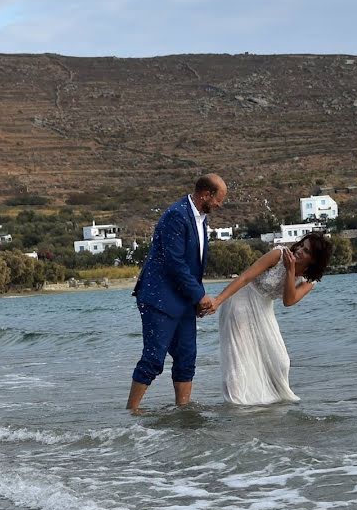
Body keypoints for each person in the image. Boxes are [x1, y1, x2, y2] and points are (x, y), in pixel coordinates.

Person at [126, 173, 228, 410]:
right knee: (153, 358)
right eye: (218, 199)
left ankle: (184, 411)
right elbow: (175, 262)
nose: (219, 205)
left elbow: (194, 267)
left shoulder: (201, 219)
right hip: (159, 298)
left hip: (183, 300)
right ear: (205, 194)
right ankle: (131, 412)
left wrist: (196, 300)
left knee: (186, 358)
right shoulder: (176, 215)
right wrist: (200, 296)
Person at [200, 232, 333, 405]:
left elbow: (289, 301)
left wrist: (290, 270)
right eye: (301, 245)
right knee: (238, 356)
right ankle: (237, 404)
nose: (299, 250)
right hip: (241, 299)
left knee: (281, 361)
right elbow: (245, 277)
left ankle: (268, 405)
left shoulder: (309, 280)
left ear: (314, 260)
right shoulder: (278, 254)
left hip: (264, 307)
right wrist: (218, 301)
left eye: (306, 251)